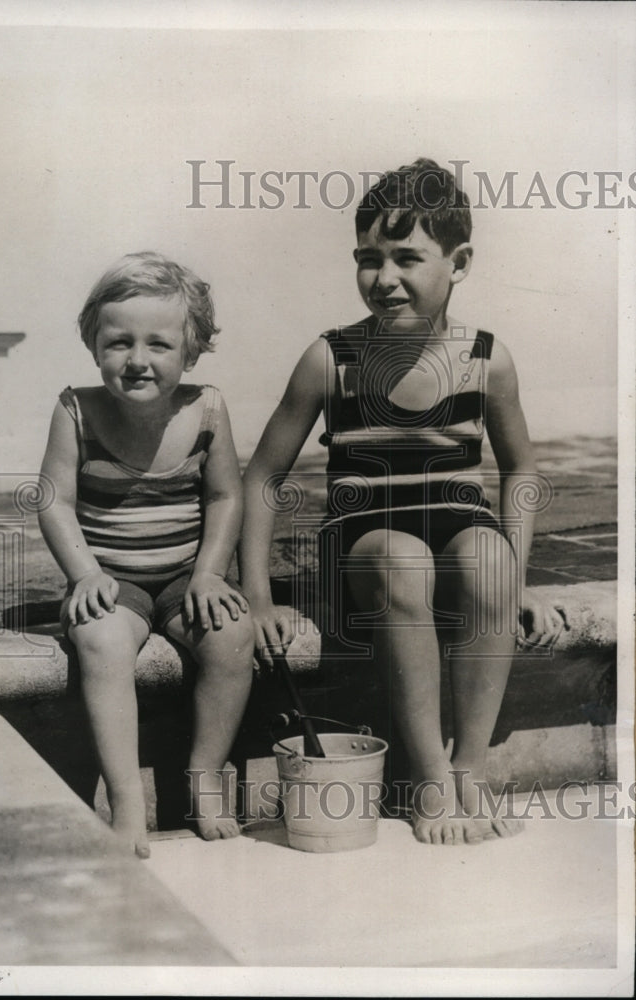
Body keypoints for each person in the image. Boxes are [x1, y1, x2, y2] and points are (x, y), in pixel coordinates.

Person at [240, 158, 566, 846]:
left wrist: (519, 577)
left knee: (488, 565)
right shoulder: (330, 358)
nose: (383, 278)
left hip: (456, 519)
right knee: (400, 559)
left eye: (406, 258)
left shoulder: (485, 359)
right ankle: (425, 776)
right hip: (366, 534)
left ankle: (468, 767)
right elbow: (262, 475)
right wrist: (257, 596)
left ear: (459, 261)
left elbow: (520, 469)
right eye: (367, 258)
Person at [38, 251, 254, 857]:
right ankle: (126, 800)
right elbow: (53, 502)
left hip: (188, 577)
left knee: (234, 637)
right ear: (93, 344)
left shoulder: (206, 407)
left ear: (190, 351)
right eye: (118, 343)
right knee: (101, 641)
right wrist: (84, 576)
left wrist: (211, 573)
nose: (137, 361)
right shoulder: (76, 409)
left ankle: (206, 777)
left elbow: (225, 494)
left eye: (158, 345)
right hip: (112, 579)